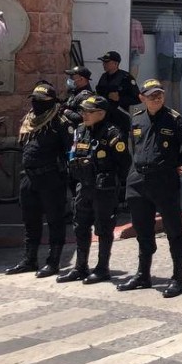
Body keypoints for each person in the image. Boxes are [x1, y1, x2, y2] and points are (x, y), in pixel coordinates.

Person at [117, 79, 182, 297]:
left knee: (174, 231)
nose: (156, 98)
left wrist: (174, 163)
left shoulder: (174, 119)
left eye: (159, 94)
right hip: (138, 182)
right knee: (142, 231)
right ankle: (143, 275)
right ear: (142, 98)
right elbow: (134, 148)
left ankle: (177, 278)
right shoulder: (136, 119)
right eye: (151, 95)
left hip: (164, 182)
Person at [58, 96, 131, 284]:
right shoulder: (81, 130)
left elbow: (124, 164)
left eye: (88, 111)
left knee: (104, 228)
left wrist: (115, 186)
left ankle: (102, 268)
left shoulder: (112, 134)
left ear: (101, 113)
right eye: (82, 111)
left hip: (103, 189)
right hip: (83, 186)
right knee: (80, 226)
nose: (84, 114)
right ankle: (80, 267)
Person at [4, 83, 73, 277]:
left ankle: (53, 262)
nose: (35, 104)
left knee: (54, 220)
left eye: (40, 101)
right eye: (33, 100)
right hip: (29, 177)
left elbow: (71, 151)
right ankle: (29, 259)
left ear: (50, 103)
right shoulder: (29, 120)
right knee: (30, 220)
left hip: (51, 178)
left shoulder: (60, 122)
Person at [95, 51, 139, 131]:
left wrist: (120, 99)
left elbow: (138, 98)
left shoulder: (126, 78)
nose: (104, 64)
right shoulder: (103, 77)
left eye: (107, 62)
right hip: (104, 119)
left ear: (116, 64)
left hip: (119, 119)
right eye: (103, 62)